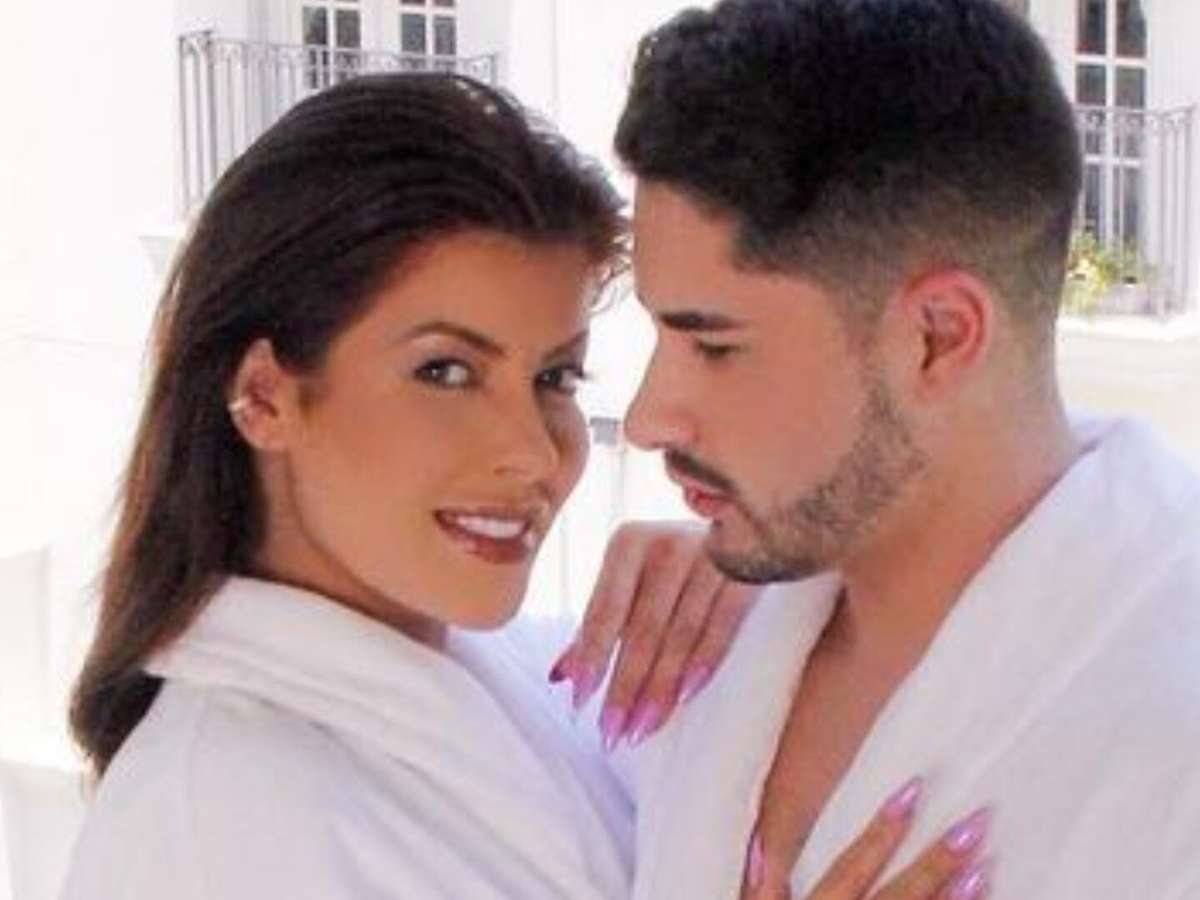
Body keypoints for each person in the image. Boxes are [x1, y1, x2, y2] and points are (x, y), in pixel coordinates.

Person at [59, 73, 987, 899]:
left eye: (554, 378)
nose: (534, 454)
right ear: (265, 395)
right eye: (446, 372)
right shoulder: (209, 827)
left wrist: (740, 587)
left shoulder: (512, 686)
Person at [553, 0, 1200, 897]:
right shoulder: (699, 655)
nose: (651, 417)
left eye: (716, 348)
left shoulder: (1169, 715)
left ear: (939, 336)